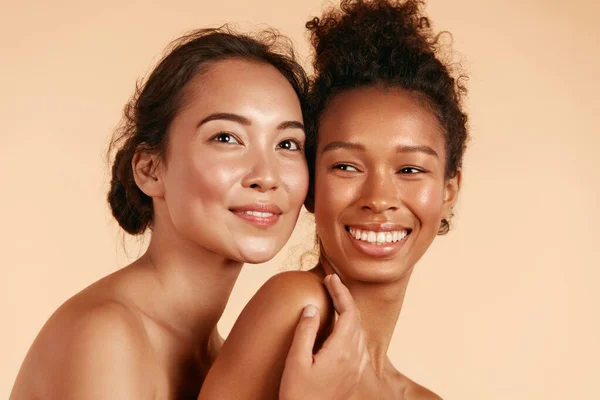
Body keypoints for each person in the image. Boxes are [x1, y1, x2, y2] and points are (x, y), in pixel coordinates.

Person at [10, 26, 367, 400]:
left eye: (288, 143)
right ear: (151, 169)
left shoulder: (224, 361)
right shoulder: (106, 335)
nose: (266, 176)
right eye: (226, 138)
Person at [199, 0, 469, 398]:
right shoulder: (298, 309)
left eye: (410, 170)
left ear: (449, 191)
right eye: (346, 167)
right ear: (311, 186)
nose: (378, 199)